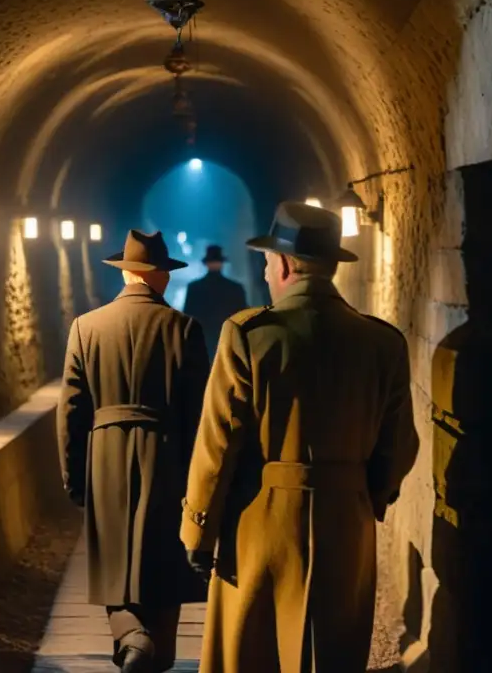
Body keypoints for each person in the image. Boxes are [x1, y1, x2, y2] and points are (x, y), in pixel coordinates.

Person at [178, 201, 420, 673]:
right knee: (332, 648)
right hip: (346, 524)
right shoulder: (382, 343)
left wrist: (198, 530)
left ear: (285, 264)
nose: (267, 273)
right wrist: (365, 495)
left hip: (260, 523)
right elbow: (400, 444)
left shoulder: (249, 335)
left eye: (268, 263)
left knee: (253, 651)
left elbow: (218, 443)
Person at [59, 229, 210, 673]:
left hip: (104, 455)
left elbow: (71, 409)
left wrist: (74, 477)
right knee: (162, 559)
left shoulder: (86, 328)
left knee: (115, 562)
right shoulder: (185, 329)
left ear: (126, 272)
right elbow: (199, 411)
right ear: (160, 276)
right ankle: (152, 650)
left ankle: (130, 635)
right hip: (166, 457)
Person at [182, 245, 248, 355]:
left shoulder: (195, 287)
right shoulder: (235, 288)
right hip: (228, 339)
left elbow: (188, 316)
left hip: (205, 340)